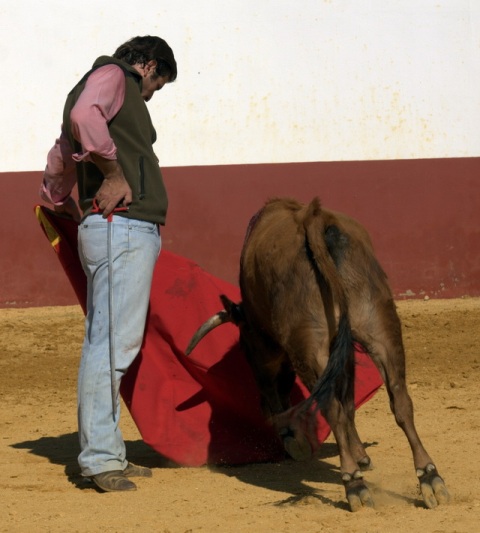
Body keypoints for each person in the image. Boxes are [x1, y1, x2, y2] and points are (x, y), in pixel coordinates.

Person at [40, 36, 177, 492]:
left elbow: (61, 155)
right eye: (156, 84)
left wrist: (57, 200)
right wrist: (115, 174)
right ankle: (100, 458)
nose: (151, 95)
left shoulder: (87, 86)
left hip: (111, 228)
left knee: (111, 340)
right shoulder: (116, 75)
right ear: (148, 65)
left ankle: (109, 449)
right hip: (123, 227)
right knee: (112, 344)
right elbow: (84, 119)